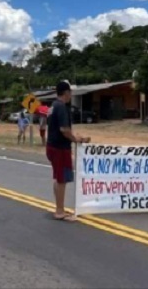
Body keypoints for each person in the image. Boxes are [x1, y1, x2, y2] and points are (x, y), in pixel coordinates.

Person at [46, 81, 90, 222]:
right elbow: (64, 130)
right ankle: (59, 211)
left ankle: (59, 207)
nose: (71, 95)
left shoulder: (53, 106)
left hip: (52, 146)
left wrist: (76, 137)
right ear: (66, 93)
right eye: (70, 92)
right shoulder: (61, 107)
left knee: (58, 177)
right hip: (60, 148)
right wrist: (75, 139)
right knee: (62, 179)